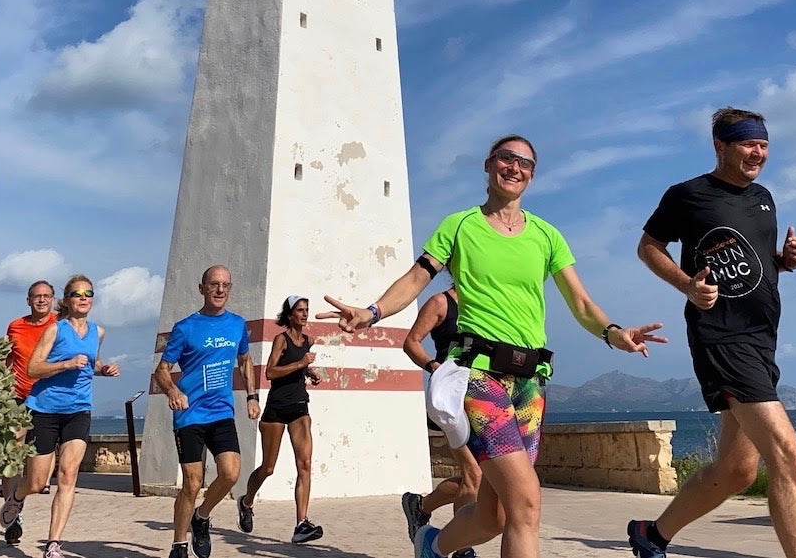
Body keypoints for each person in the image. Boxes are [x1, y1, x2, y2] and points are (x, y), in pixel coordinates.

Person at [318, 134, 665, 558]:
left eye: (525, 163)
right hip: (480, 376)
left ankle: (432, 544)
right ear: (488, 165)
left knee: (496, 515)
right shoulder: (460, 226)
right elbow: (415, 279)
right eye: (506, 158)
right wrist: (371, 312)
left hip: (531, 384)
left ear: (532, 175)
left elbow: (580, 301)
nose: (514, 167)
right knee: (527, 505)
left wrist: (614, 333)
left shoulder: (546, 235)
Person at [630, 107, 796, 558]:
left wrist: (783, 260)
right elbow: (648, 246)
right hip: (722, 338)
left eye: (764, 144)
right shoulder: (688, 195)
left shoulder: (764, 197)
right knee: (790, 459)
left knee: (736, 471)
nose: (759, 153)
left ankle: (652, 536)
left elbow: (755, 256)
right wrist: (686, 285)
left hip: (762, 338)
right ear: (720, 146)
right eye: (749, 144)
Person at [0, 274, 120, 558]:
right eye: (77, 293)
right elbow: (33, 369)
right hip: (44, 410)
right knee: (38, 482)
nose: (83, 297)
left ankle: (53, 544)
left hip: (78, 410)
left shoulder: (98, 331)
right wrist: (65, 364)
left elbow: (92, 361)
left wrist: (103, 370)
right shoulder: (55, 329)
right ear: (67, 300)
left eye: (88, 293)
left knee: (67, 475)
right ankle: (17, 497)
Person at [154, 265, 259, 558]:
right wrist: (173, 391)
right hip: (190, 415)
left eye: (225, 285)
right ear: (202, 288)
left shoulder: (237, 325)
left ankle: (201, 518)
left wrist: (251, 396)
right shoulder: (185, 328)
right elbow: (162, 371)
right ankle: (178, 544)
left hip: (221, 412)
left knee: (230, 474)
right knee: (192, 482)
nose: (220, 290)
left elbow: (245, 360)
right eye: (214, 284)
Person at [400, 284, 481, 556]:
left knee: (481, 480)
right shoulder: (441, 303)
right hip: (451, 401)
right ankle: (462, 548)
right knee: (474, 475)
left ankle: (420, 506)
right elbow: (411, 342)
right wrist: (433, 366)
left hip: (482, 398)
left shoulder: (484, 301)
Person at [237, 295, 324, 544]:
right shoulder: (281, 339)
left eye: (307, 309)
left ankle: (301, 524)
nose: (305, 314)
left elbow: (298, 368)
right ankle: (246, 501)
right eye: (300, 310)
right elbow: (270, 372)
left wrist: (309, 372)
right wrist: (300, 364)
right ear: (290, 314)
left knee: (305, 464)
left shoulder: (308, 340)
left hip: (299, 407)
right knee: (268, 467)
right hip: (276, 409)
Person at [0, 280, 58, 543]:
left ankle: (18, 497)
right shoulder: (16, 326)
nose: (42, 300)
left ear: (54, 299)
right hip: (18, 397)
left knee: (38, 472)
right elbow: (7, 358)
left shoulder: (61, 324)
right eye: (37, 296)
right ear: (28, 300)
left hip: (49, 400)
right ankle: (13, 516)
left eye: (46, 296)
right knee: (13, 453)